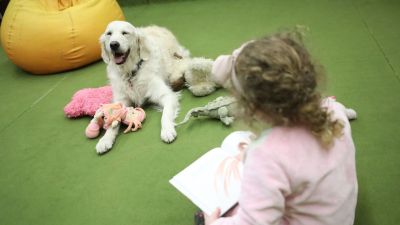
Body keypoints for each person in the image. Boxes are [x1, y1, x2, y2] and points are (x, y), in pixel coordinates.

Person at [204, 31, 358, 225]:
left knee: (217, 200)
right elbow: (337, 107)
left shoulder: (267, 155)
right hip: (339, 218)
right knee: (237, 141)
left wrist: (215, 223)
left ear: (254, 107)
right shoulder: (334, 111)